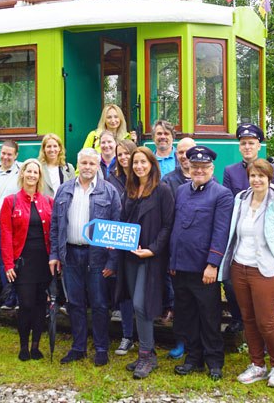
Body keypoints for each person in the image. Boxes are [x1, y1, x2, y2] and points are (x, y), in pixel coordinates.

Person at [218, 159, 274, 388]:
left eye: (261, 176)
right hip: (240, 266)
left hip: (266, 271)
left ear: (269, 177)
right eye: (253, 176)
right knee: (248, 319)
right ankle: (257, 365)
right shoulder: (240, 199)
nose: (256, 180)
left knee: (267, 323)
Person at [49, 148, 122, 367]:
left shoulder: (109, 191)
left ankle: (101, 348)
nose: (88, 167)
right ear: (78, 164)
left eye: (92, 163)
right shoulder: (63, 190)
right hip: (70, 253)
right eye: (84, 163)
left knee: (99, 303)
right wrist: (55, 253)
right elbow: (55, 225)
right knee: (75, 303)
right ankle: (78, 347)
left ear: (98, 165)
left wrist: (112, 261)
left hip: (97, 256)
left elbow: (116, 228)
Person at [169, 146, 233, 381]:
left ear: (211, 168)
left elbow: (220, 231)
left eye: (203, 167)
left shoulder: (222, 194)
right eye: (195, 166)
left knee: (209, 317)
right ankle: (193, 359)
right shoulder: (182, 192)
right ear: (189, 167)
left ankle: (214, 361)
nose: (198, 171)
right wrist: (172, 261)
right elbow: (176, 227)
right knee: (187, 316)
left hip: (203, 269)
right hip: (181, 266)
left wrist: (213, 264)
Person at [116, 147, 174, 379]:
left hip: (150, 257)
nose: (139, 166)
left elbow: (168, 225)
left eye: (143, 162)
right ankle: (147, 354)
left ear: (151, 164)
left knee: (142, 305)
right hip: (129, 256)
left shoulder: (163, 190)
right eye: (135, 162)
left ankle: (146, 355)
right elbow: (123, 222)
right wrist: (114, 239)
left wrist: (152, 250)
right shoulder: (129, 190)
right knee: (134, 304)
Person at [0, 159, 54, 361]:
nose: (32, 175)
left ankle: (36, 346)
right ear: (22, 174)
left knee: (41, 304)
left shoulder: (48, 201)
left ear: (40, 177)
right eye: (29, 171)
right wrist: (8, 264)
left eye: (36, 172)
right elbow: (5, 234)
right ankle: (23, 346)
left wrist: (55, 259)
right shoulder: (10, 201)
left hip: (43, 261)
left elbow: (54, 232)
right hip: (23, 262)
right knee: (26, 304)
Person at [221, 124, 270, 335]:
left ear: (258, 145)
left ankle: (262, 321)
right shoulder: (230, 171)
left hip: (263, 235)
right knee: (231, 283)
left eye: (251, 143)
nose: (247, 147)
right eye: (243, 143)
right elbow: (229, 204)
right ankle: (239, 318)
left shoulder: (271, 169)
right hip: (239, 233)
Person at [159, 136, 196, 359]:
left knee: (198, 299)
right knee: (178, 299)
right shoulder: (168, 180)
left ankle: (197, 341)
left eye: (188, 152)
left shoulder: (207, 176)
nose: (184, 156)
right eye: (180, 152)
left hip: (197, 250)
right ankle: (181, 341)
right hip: (175, 247)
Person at [106, 139, 138, 356]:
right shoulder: (112, 179)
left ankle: (145, 337)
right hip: (120, 241)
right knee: (125, 292)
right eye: (120, 155)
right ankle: (127, 335)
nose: (124, 158)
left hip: (142, 242)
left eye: (127, 153)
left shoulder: (144, 178)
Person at [0, 140, 22, 309]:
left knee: (18, 262)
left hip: (18, 227)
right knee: (3, 263)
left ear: (16, 156)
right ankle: (9, 298)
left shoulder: (22, 171)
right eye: (3, 153)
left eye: (10, 154)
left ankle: (20, 299)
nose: (6, 157)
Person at [38, 133, 75, 198]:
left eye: (55, 146)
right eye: (49, 146)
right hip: (44, 206)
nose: (52, 150)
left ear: (60, 148)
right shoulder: (38, 167)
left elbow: (73, 191)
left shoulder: (69, 168)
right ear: (44, 149)